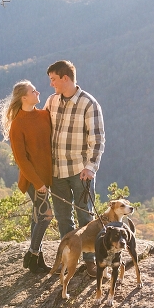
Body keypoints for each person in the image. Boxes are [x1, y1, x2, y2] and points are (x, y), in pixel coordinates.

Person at [44, 60, 105, 277]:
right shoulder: (51, 102)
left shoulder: (89, 104)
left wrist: (90, 167)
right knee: (63, 219)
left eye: (53, 79)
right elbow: (43, 131)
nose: (51, 84)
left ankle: (91, 261)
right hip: (56, 171)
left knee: (85, 219)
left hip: (80, 172)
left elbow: (97, 139)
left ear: (65, 78)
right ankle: (69, 259)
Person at [0, 80, 53, 273]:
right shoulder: (17, 125)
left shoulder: (45, 115)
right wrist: (38, 183)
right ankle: (32, 253)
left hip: (48, 177)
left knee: (37, 218)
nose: (38, 92)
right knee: (45, 216)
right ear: (24, 98)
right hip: (33, 180)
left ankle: (37, 261)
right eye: (33, 90)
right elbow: (22, 160)